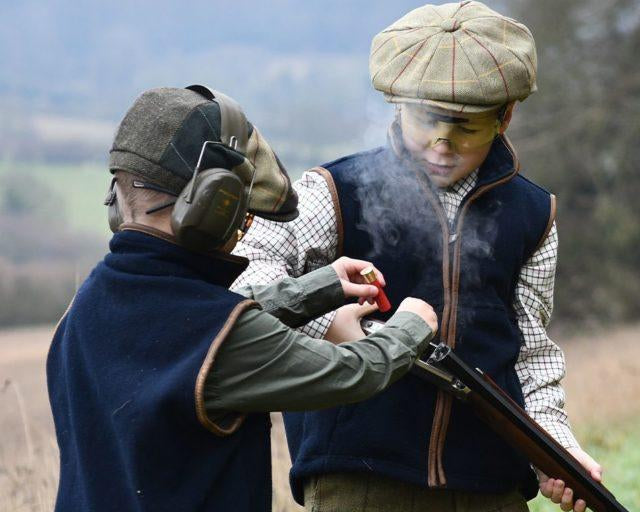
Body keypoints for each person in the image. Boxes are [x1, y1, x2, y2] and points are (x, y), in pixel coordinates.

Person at [232, 2, 602, 511]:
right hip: (357, 482)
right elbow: (245, 281)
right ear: (398, 104)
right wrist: (328, 323)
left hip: (491, 487)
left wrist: (554, 449)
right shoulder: (334, 190)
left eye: (465, 127)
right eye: (426, 120)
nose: (441, 144)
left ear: (504, 117)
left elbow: (531, 356)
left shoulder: (534, 214)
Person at [46, 86, 439, 512]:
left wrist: (320, 287)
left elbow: (190, 331)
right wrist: (410, 324)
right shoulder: (219, 337)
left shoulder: (87, 305)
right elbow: (353, 371)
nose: (243, 226)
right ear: (214, 206)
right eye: (242, 211)